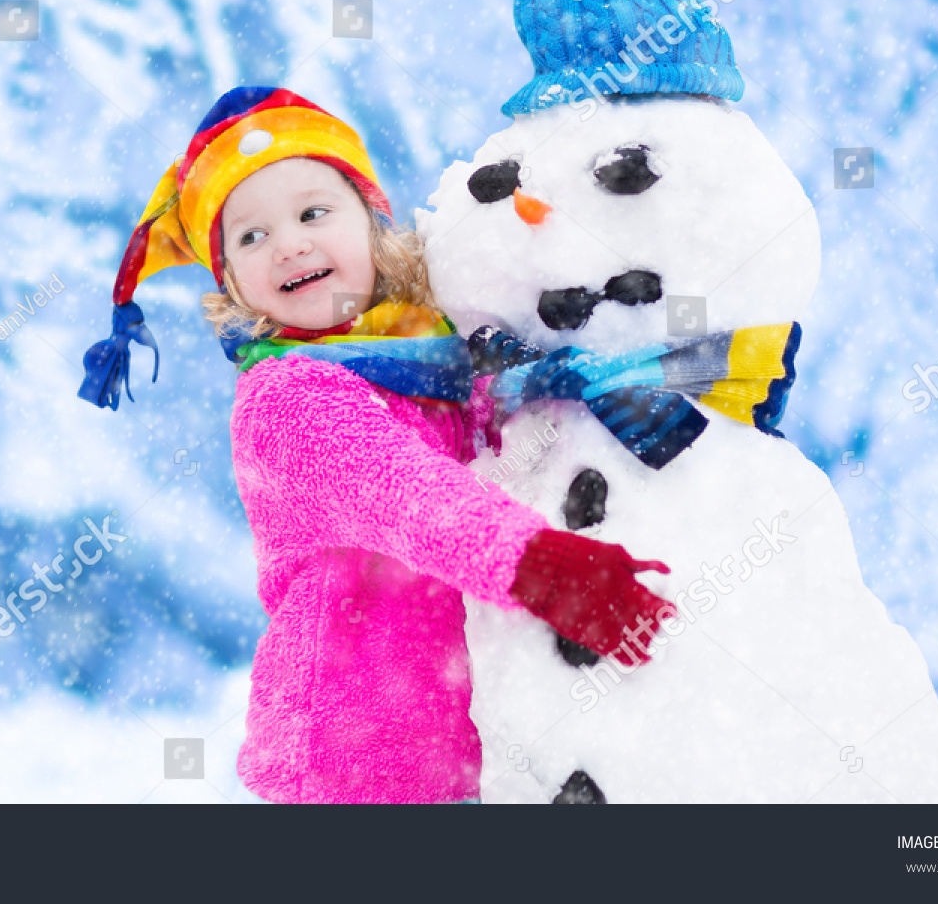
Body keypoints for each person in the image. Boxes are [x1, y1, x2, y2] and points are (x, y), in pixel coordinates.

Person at [78, 86, 671, 803]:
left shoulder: (434, 359)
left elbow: (521, 426)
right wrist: (543, 567)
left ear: (372, 223)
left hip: (469, 749)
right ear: (230, 280)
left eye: (313, 212)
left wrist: (676, 374)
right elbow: (407, 494)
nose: (289, 242)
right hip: (353, 764)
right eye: (251, 236)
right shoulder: (287, 397)